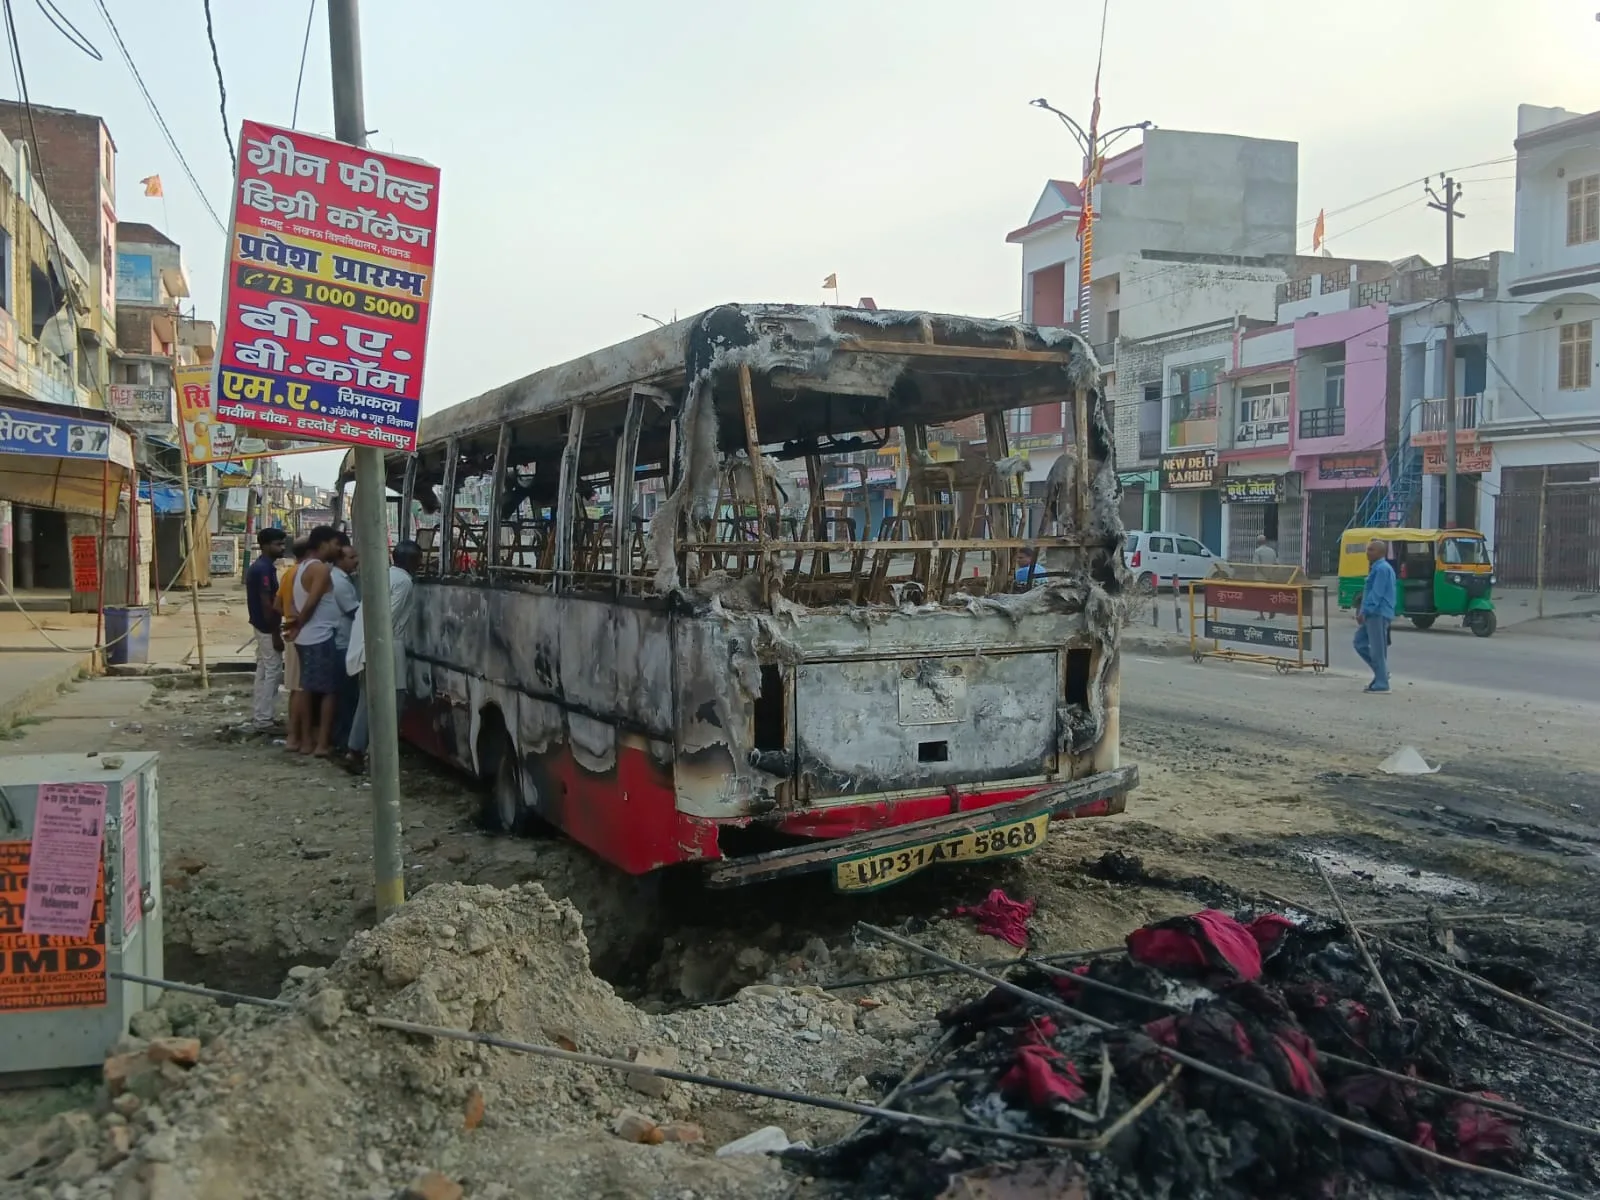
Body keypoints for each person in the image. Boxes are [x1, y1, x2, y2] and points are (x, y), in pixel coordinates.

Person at [346, 539, 421, 770]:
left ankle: (357, 750)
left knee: (367, 702)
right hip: (385, 648)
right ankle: (375, 757)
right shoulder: (404, 582)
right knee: (389, 705)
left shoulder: (385, 575)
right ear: (413, 561)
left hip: (367, 646)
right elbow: (386, 618)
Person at [288, 526, 345, 756]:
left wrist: (297, 626)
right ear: (322, 544)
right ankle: (320, 744)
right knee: (328, 692)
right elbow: (311, 603)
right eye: (335, 543)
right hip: (319, 636)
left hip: (308, 637)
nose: (338, 548)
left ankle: (304, 741)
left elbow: (297, 602)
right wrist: (299, 624)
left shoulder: (301, 567)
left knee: (306, 688)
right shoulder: (320, 569)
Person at [245, 528, 288, 732]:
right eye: (278, 544)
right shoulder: (262, 569)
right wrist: (275, 633)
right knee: (273, 670)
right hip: (266, 627)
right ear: (265, 546)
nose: (282, 547)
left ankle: (262, 715)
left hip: (261, 625)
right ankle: (264, 719)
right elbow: (266, 602)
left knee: (263, 670)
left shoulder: (264, 567)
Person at [329, 537, 362, 753]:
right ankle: (343, 741)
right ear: (340, 560)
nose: (356, 561)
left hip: (343, 641)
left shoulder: (342, 578)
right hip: (343, 643)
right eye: (351, 558)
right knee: (347, 697)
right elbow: (354, 611)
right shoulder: (339, 582)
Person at [278, 538, 311, 750]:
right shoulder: (305, 573)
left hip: (291, 628)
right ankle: (298, 737)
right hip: (301, 631)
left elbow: (276, 603)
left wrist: (289, 616)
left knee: (294, 688)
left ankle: (294, 735)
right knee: (301, 689)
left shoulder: (289, 573)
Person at [1353, 537, 1396, 694]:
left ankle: (1382, 683)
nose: (1368, 552)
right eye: (1368, 549)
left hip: (1377, 613)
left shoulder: (1382, 569)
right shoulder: (1377, 567)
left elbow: (1376, 594)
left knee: (1377, 649)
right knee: (1359, 643)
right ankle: (1382, 673)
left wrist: (1365, 611)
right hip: (1373, 613)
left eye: (1371, 549)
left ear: (1381, 552)